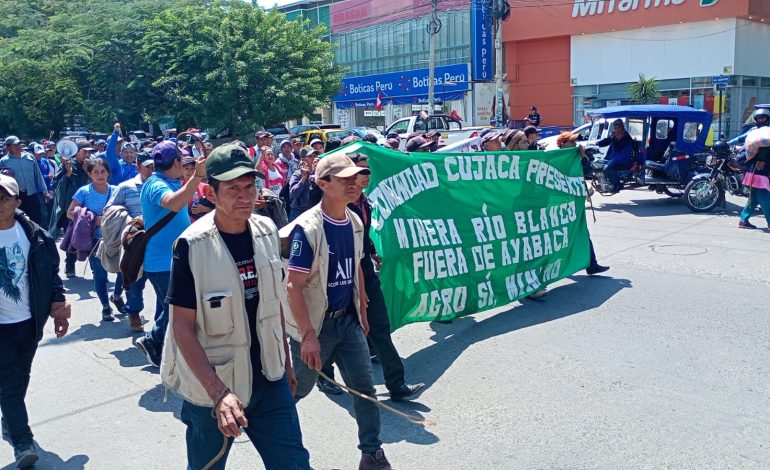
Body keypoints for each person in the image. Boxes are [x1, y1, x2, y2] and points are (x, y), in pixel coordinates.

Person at [162, 144, 310, 470]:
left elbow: (275, 304)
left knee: (295, 465)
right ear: (211, 193)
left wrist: (285, 363)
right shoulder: (192, 246)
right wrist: (219, 394)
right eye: (232, 189)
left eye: (249, 186)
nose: (244, 197)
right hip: (214, 390)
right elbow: (181, 327)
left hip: (270, 381)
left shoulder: (267, 230)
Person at [283, 153, 393, 470]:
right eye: (343, 179)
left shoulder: (354, 221)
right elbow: (294, 286)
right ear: (322, 183)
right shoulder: (308, 228)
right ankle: (280, 448)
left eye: (354, 177)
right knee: (296, 390)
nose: (353, 183)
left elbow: (358, 265)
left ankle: (372, 453)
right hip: (315, 327)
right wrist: (307, 337)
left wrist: (361, 308)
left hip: (347, 322)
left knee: (365, 389)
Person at [0, 174, 71, 469]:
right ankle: (22, 440)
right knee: (9, 383)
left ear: (17, 202)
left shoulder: (36, 235)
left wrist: (58, 306)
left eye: (3, 198)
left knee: (20, 378)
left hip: (29, 322)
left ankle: (10, 416)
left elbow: (51, 274)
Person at [134, 141, 205, 367]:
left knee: (172, 308)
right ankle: (153, 341)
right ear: (175, 162)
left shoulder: (170, 182)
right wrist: (196, 178)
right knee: (176, 310)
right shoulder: (155, 184)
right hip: (162, 261)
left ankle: (164, 347)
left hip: (174, 259)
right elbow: (173, 204)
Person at [104, 151, 161, 331]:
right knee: (134, 282)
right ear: (138, 167)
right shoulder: (125, 187)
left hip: (160, 241)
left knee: (164, 283)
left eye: (154, 167)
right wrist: (129, 219)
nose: (152, 170)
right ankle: (134, 312)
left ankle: (162, 322)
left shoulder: (164, 186)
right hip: (135, 242)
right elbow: (109, 209)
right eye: (148, 167)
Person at [67, 158, 117, 321]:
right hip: (94, 241)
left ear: (108, 172)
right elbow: (70, 212)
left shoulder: (117, 190)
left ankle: (116, 296)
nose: (100, 175)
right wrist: (90, 218)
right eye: (95, 172)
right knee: (100, 276)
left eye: (103, 171)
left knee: (125, 271)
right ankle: (105, 307)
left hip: (116, 239)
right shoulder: (84, 192)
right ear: (89, 174)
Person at [553, 133, 610, 275]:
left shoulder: (577, 157)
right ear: (562, 144)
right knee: (560, 236)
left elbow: (589, 172)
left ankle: (592, 264)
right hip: (559, 205)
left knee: (581, 231)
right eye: (571, 142)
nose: (575, 145)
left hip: (574, 202)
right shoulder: (554, 158)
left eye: (575, 142)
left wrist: (583, 158)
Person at [50, 140, 93, 276]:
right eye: (84, 151)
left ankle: (96, 268)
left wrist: (88, 171)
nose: (87, 154)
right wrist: (68, 173)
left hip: (89, 207)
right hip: (71, 207)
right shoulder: (68, 165)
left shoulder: (91, 165)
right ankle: (70, 265)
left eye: (89, 151)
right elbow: (55, 184)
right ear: (77, 152)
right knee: (72, 237)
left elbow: (99, 181)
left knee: (93, 236)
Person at [0, 136, 47, 226]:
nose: (18, 146)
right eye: (15, 145)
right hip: (16, 196)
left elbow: (38, 175)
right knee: (18, 220)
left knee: (36, 219)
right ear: (8, 147)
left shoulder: (30, 157)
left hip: (31, 194)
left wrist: (45, 191)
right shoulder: (4, 161)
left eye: (19, 144)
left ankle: (36, 239)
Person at [739, 128, 770, 229]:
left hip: (753, 171)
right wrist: (762, 159)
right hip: (761, 173)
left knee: (754, 198)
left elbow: (740, 138)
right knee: (766, 199)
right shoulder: (765, 139)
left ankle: (743, 220)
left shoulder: (757, 132)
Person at [595, 119, 634, 193]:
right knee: (600, 164)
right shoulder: (616, 135)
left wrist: (613, 138)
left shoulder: (626, 137)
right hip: (614, 158)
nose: (615, 129)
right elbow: (607, 141)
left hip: (623, 160)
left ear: (621, 127)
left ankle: (617, 185)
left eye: (616, 128)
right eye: (614, 128)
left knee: (607, 168)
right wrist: (597, 144)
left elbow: (618, 146)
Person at [288, 147, 320, 221]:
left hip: (315, 210)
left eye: (314, 155)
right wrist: (304, 177)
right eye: (310, 156)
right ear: (302, 159)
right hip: (299, 211)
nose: (313, 158)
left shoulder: (319, 172)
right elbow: (294, 193)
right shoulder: (297, 174)